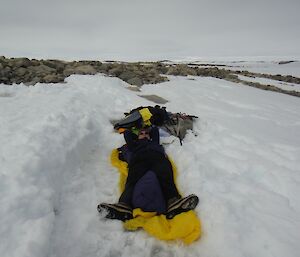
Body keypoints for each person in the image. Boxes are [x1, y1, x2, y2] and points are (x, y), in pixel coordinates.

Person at [98, 126, 199, 221]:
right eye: (141, 133)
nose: (144, 134)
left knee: (165, 176)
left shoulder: (154, 142)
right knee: (133, 179)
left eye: (146, 133)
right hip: (139, 159)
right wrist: (135, 133)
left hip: (157, 157)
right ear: (137, 136)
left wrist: (148, 128)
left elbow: (155, 130)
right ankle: (124, 205)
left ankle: (173, 202)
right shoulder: (134, 144)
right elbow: (127, 134)